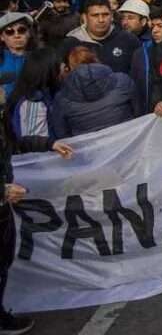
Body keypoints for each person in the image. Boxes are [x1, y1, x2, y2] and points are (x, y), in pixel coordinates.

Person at [0, 106, 73, 335]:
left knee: (3, 264)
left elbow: (14, 144)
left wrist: (48, 144)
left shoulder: (2, 122)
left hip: (3, 213)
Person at [51, 47, 136, 137]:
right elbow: (139, 109)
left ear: (69, 67)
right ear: (95, 59)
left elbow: (62, 133)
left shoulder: (62, 97)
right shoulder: (122, 80)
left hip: (88, 148)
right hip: (125, 139)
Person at [60, 0, 141, 75]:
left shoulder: (129, 40)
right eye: (95, 15)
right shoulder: (70, 43)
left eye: (105, 15)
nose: (101, 20)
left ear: (112, 16)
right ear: (84, 17)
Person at [3, 47, 60, 140]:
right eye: (59, 65)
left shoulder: (46, 93)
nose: (64, 67)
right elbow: (35, 144)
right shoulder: (34, 103)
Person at [131, 6, 162, 116]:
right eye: (153, 26)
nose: (155, 31)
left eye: (160, 26)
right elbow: (136, 90)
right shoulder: (140, 54)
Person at [0, 13, 34, 103]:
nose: (16, 35)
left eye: (21, 30)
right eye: (9, 32)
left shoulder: (39, 58)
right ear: (2, 37)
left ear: (29, 33)